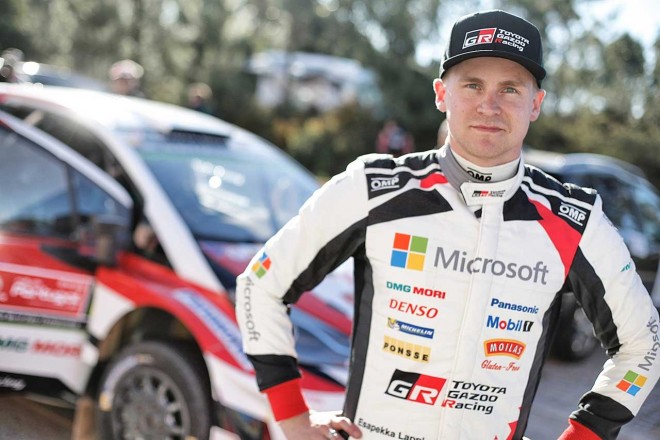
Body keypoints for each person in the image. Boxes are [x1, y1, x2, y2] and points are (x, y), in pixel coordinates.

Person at [236, 9, 660, 440]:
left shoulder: (576, 220)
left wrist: (584, 435)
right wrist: (292, 418)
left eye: (510, 88)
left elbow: (644, 344)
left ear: (536, 104)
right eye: (472, 85)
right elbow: (260, 283)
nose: (489, 105)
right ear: (442, 94)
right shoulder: (373, 188)